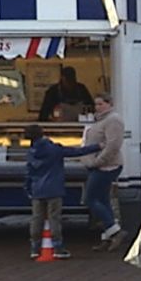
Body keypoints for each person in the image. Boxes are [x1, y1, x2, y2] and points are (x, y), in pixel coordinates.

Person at [23, 124, 100, 260]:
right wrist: (97, 146)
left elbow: (29, 173)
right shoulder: (54, 149)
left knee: (36, 219)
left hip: (37, 189)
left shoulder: (31, 152)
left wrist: (28, 188)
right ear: (43, 133)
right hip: (54, 188)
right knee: (54, 219)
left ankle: (35, 248)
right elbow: (76, 152)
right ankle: (58, 247)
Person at [81, 92, 127, 251]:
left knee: (90, 198)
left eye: (101, 104)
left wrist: (97, 162)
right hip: (97, 165)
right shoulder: (100, 120)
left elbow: (113, 145)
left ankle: (115, 230)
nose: (97, 107)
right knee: (103, 199)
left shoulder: (113, 120)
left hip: (107, 166)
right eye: (96, 104)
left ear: (109, 104)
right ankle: (108, 236)